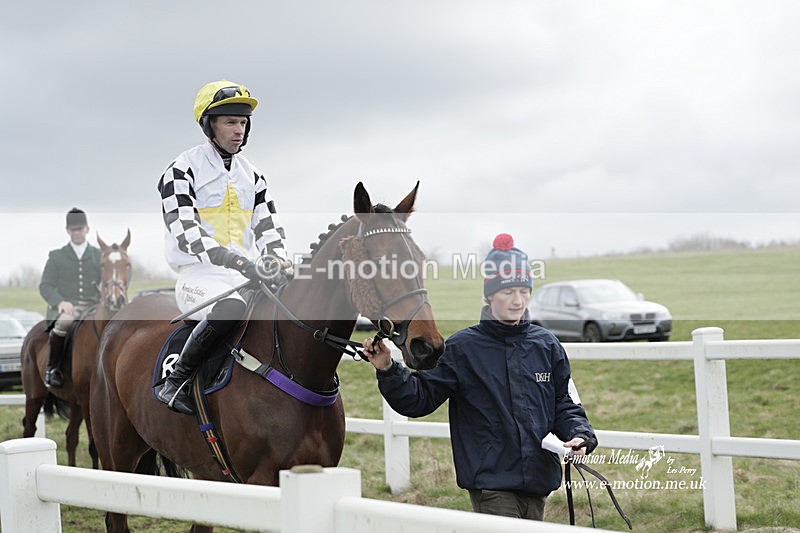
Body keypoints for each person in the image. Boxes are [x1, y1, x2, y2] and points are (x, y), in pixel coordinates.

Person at [363, 233, 598, 521]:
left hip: (539, 480)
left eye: (524, 291)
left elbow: (565, 401)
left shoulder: (547, 345)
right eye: (508, 292)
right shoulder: (462, 349)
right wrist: (388, 369)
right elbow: (418, 398)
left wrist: (579, 435)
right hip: (491, 485)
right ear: (489, 295)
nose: (517, 301)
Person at [156, 79, 289, 414]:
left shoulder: (254, 175)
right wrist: (235, 260)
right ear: (209, 125)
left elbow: (269, 228)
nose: (239, 130)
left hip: (244, 276)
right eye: (230, 122)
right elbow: (185, 229)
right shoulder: (180, 170)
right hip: (199, 275)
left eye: (243, 122)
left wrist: (277, 260)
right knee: (231, 308)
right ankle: (177, 381)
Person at [39, 208, 102, 388]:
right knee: (64, 324)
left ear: (87, 229)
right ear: (68, 231)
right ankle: (53, 369)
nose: (77, 232)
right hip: (69, 306)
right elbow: (45, 285)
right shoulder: (56, 256)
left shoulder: (98, 255)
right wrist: (60, 302)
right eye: (73, 229)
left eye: (80, 229)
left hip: (94, 304)